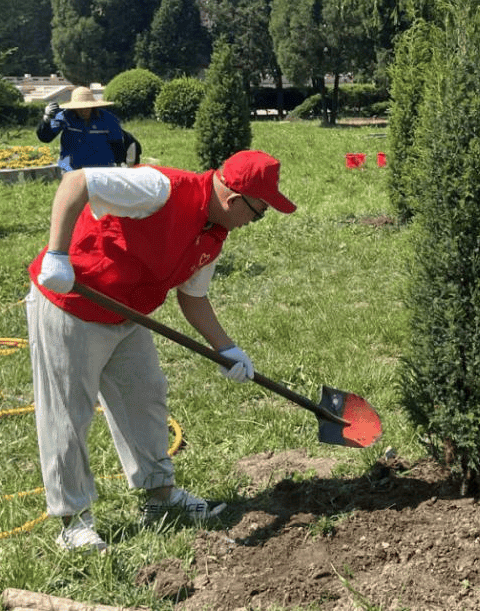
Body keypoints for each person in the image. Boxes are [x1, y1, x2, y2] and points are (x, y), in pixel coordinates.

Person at [26, 150, 297, 552]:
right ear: (234, 199)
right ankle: (73, 521)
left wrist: (228, 349)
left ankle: (160, 498)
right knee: (68, 413)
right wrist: (57, 255)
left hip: (126, 314)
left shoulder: (213, 231)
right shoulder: (160, 189)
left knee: (145, 395)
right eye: (259, 213)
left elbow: (194, 299)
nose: (255, 222)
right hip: (72, 303)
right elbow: (77, 182)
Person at [37, 87, 128, 171]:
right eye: (79, 107)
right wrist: (47, 118)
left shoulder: (109, 119)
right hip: (71, 170)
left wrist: (120, 165)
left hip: (102, 170)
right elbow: (45, 137)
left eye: (86, 107)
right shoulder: (64, 116)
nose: (83, 110)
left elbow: (117, 144)